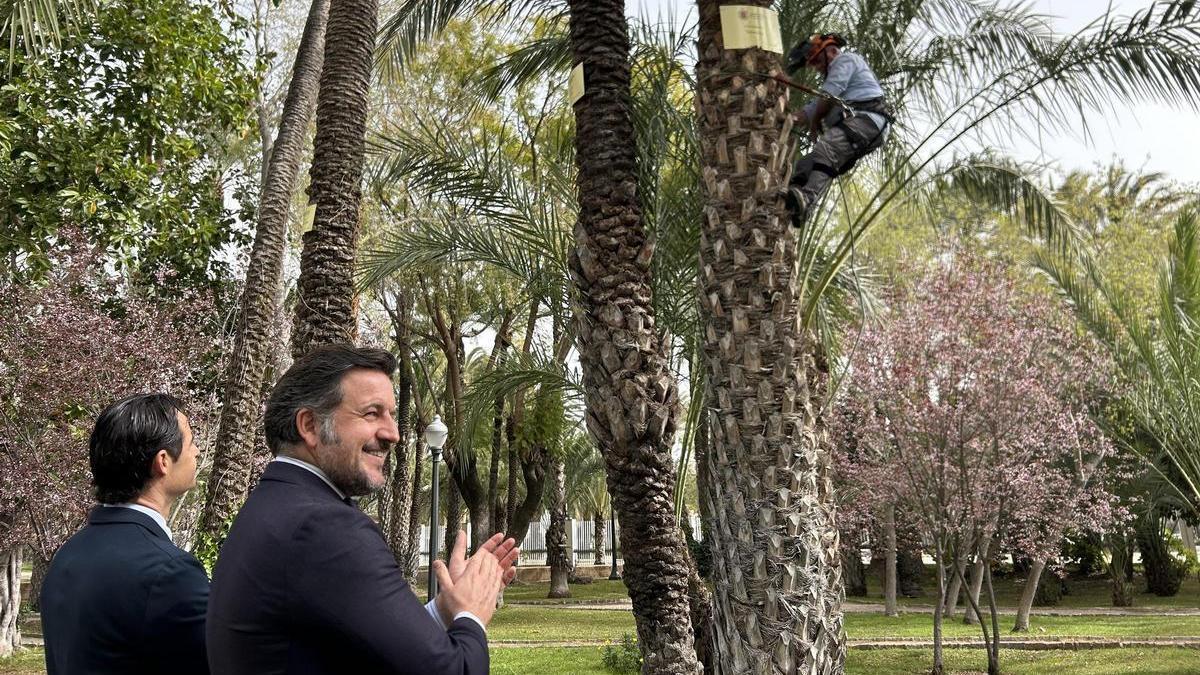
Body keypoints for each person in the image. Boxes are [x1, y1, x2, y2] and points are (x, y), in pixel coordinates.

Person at [207, 344, 518, 674]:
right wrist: (471, 613)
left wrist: (445, 608)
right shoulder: (326, 527)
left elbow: (355, 647)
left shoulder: (274, 506)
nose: (393, 434)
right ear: (310, 425)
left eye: (392, 414)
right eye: (372, 413)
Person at [40, 393, 209, 675]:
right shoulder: (169, 572)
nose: (197, 452)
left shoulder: (68, 555)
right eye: (191, 443)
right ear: (163, 461)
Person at [784, 33, 893, 226]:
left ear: (832, 51)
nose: (817, 68)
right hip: (863, 126)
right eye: (813, 64)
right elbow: (811, 109)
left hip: (868, 120)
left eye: (817, 61)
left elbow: (829, 95)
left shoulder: (845, 60)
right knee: (806, 165)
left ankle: (808, 198)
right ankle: (794, 201)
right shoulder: (831, 79)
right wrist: (786, 120)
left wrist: (816, 122)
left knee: (826, 148)